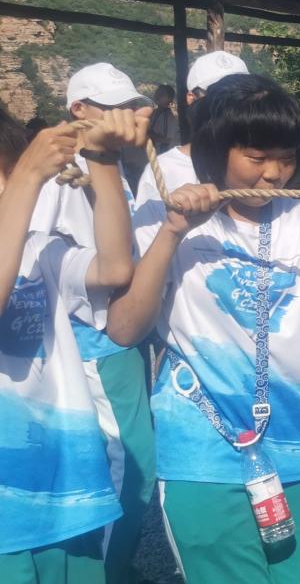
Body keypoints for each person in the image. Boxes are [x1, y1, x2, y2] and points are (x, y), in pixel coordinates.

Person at [108, 74, 300, 584]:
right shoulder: (167, 217)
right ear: (215, 151)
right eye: (256, 157)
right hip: (203, 456)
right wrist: (172, 232)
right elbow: (124, 328)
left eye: (286, 157)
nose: (274, 173)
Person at [0, 107, 145, 583]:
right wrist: (26, 179)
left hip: (66, 495)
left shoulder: (38, 249)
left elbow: (115, 268)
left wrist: (102, 160)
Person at [30, 63, 156, 584]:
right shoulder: (57, 178)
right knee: (128, 467)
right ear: (78, 110)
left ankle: (117, 564)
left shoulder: (109, 167)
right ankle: (106, 571)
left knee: (132, 460)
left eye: (129, 106)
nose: (123, 116)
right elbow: (32, 260)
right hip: (94, 342)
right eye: (111, 107)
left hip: (123, 336)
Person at [135, 51, 249, 209]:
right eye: (218, 95)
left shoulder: (271, 162)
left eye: (245, 95)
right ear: (191, 98)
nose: (233, 103)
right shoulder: (165, 170)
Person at [149, 84, 180, 154]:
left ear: (170, 98)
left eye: (161, 94)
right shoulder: (153, 113)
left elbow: (168, 140)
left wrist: (150, 134)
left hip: (165, 153)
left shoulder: (170, 116)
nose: (157, 96)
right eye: (157, 93)